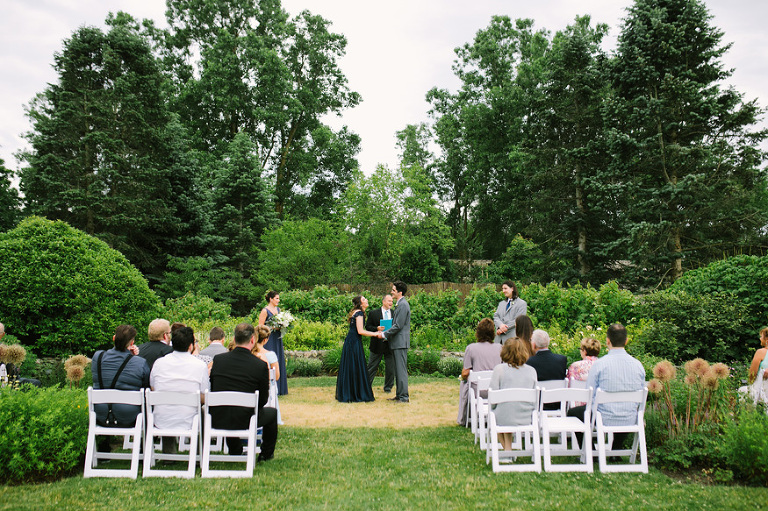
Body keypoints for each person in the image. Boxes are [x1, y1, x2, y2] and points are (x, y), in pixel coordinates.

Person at [567, 323, 646, 450]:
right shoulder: (638, 366)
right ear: (626, 341)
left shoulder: (600, 365)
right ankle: (616, 449)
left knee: (573, 413)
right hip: (631, 418)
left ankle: (590, 450)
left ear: (607, 341)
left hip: (603, 417)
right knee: (624, 409)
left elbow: (589, 393)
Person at [209, 322, 278, 462]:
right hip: (247, 418)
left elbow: (214, 386)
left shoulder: (219, 360)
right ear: (253, 340)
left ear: (234, 339)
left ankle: (235, 450)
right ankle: (266, 453)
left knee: (229, 407)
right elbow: (263, 399)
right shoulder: (259, 365)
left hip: (218, 416)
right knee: (272, 413)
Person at [149, 326, 209, 453]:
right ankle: (198, 455)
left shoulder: (159, 363)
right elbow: (204, 395)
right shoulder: (200, 365)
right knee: (203, 411)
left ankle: (169, 453)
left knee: (167, 406)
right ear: (191, 346)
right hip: (189, 419)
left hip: (160, 419)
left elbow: (153, 388)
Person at [92, 324, 150, 427]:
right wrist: (133, 357)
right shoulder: (140, 362)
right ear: (132, 343)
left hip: (100, 415)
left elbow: (113, 360)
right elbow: (146, 388)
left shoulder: (98, 357)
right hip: (129, 417)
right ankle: (143, 442)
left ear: (114, 338)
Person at [489, 337, 538, 450]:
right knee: (506, 409)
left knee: (498, 413)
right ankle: (508, 450)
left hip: (504, 416)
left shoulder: (499, 369)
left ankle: (507, 450)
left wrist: (494, 408)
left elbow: (493, 398)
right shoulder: (531, 371)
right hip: (527, 416)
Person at [457, 318, 502, 426]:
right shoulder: (500, 348)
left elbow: (465, 372)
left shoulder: (471, 348)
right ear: (493, 333)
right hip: (495, 388)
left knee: (464, 383)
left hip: (478, 390)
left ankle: (463, 418)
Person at [336, 296, 377, 403]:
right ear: (360, 303)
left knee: (352, 366)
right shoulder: (359, 313)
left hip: (351, 341)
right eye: (364, 299)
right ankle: (355, 394)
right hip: (354, 342)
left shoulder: (357, 312)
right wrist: (375, 334)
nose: (367, 300)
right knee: (354, 365)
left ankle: (350, 392)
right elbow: (360, 331)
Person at [380, 281, 411, 403]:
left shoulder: (403, 305)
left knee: (401, 370)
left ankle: (404, 397)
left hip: (400, 343)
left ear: (400, 292)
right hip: (397, 342)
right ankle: (399, 395)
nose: (391, 292)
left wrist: (384, 334)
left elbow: (398, 325)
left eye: (393, 290)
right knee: (398, 370)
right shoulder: (400, 304)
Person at [526, 329, 567, 410]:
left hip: (537, 403)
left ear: (534, 345)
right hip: (557, 403)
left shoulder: (529, 362)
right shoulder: (562, 360)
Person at [258, 291, 287, 396]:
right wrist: (272, 328)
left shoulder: (278, 310)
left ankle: (281, 387)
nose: (278, 300)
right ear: (270, 299)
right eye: (276, 298)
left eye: (279, 298)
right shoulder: (265, 311)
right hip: (269, 338)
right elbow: (260, 327)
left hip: (278, 337)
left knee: (278, 358)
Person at [253, 325, 283, 424]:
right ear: (265, 340)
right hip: (267, 389)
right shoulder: (271, 355)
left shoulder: (250, 353)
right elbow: (276, 376)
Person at [365, 294, 395, 393]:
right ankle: (366, 387)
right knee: (372, 367)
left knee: (390, 368)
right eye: (389, 301)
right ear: (383, 302)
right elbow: (368, 327)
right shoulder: (374, 313)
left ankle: (388, 388)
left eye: (391, 301)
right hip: (377, 345)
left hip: (390, 345)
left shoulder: (394, 313)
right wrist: (376, 328)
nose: (391, 303)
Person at [567, 337, 601, 406]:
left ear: (584, 351)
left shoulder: (575, 366)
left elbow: (568, 388)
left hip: (578, 405)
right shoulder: (602, 366)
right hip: (598, 405)